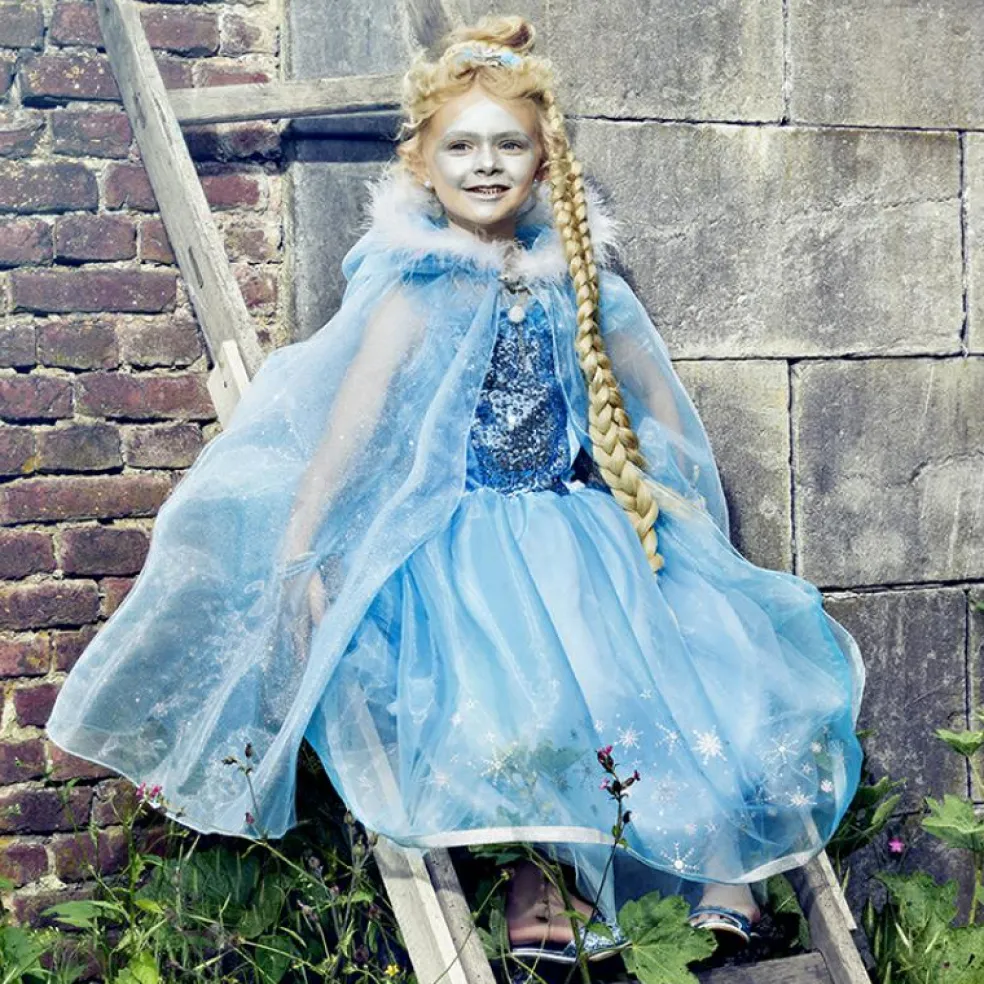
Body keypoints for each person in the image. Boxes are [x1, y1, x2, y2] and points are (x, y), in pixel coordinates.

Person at [46, 13, 865, 964]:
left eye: (508, 145)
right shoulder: (415, 291)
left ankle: (719, 871)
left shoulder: (582, 288)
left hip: (573, 530)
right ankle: (539, 883)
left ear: (543, 162)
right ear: (423, 166)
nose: (485, 165)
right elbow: (350, 432)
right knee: (518, 704)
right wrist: (302, 548)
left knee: (677, 673)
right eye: (462, 146)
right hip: (460, 541)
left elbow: (662, 413)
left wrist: (662, 506)